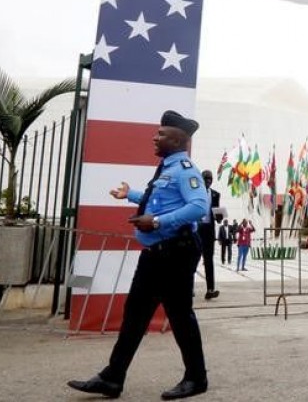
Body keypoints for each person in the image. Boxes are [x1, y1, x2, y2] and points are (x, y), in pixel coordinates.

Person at [67, 110, 210, 399]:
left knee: (180, 315)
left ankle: (196, 378)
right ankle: (112, 377)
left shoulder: (185, 169)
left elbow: (199, 207)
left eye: (161, 134)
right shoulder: (166, 169)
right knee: (135, 314)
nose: (154, 138)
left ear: (178, 139)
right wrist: (131, 195)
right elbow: (160, 200)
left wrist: (156, 222)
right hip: (155, 254)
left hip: (176, 253)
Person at [198, 170, 220, 300]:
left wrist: (219, 217)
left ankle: (210, 289)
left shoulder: (216, 194)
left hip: (209, 231)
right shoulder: (195, 193)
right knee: (193, 259)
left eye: (210, 179)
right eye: (206, 178)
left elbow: (216, 214)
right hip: (197, 229)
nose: (208, 181)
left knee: (209, 260)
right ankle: (189, 289)